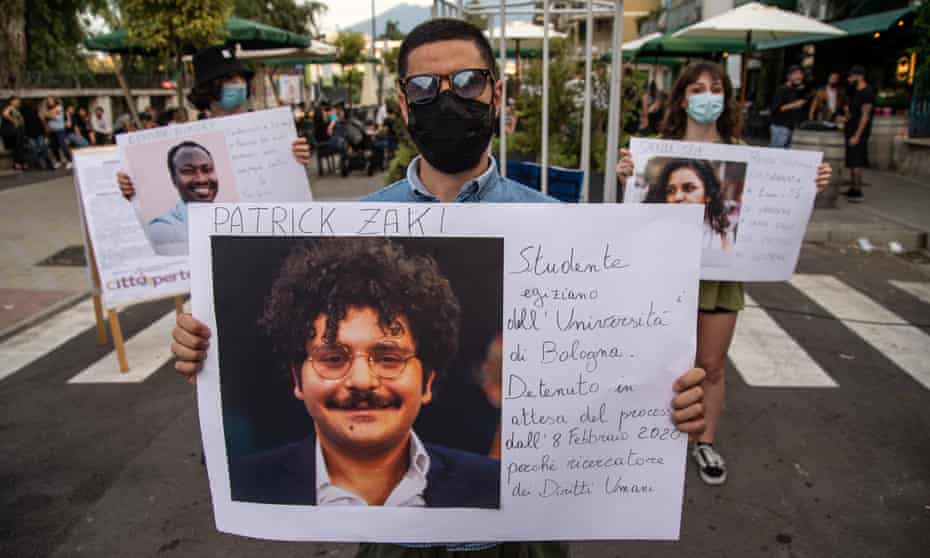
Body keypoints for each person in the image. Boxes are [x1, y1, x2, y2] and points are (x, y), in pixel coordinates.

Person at [172, 18, 710, 558]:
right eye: (426, 87)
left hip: (525, 536)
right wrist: (204, 351)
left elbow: (617, 363)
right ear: (404, 106)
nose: (448, 99)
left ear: (497, 94)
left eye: (469, 82)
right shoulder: (354, 226)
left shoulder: (559, 224)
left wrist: (665, 402)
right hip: (397, 542)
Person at [616, 60, 832, 486]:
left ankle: (704, 441)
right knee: (656, 363)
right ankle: (650, 441)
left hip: (718, 280)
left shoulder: (742, 151)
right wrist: (626, 178)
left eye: (715, 88)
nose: (707, 97)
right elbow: (634, 216)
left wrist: (810, 183)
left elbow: (774, 207)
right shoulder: (653, 151)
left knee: (711, 366)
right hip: (663, 279)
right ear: (682, 99)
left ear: (726, 98)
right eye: (697, 89)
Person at [230, 238, 499, 508]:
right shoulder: (238, 488)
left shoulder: (494, 489)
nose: (361, 381)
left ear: (427, 382)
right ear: (298, 380)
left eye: (389, 359)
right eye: (334, 359)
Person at [117, 45, 310, 200]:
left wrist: (296, 158)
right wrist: (132, 188)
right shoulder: (185, 143)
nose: (239, 84)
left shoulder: (271, 132)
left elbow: (288, 185)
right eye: (229, 79)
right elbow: (156, 188)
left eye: (241, 78)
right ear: (208, 89)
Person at [146, 141, 219, 254]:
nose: (201, 179)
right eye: (188, 171)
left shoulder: (232, 219)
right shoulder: (163, 229)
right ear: (174, 180)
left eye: (207, 169)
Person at [644, 159, 733, 251]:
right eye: (671, 191)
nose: (677, 197)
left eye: (689, 188)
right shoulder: (653, 232)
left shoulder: (722, 237)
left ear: (708, 194)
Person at [843, 65, 874, 203]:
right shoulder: (855, 91)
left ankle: (857, 191)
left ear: (859, 76)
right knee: (851, 161)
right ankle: (853, 188)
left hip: (859, 132)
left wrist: (857, 135)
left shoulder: (867, 92)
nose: (849, 79)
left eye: (851, 76)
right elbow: (853, 113)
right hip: (850, 129)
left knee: (857, 161)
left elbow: (865, 116)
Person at [769, 65, 809, 148]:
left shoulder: (794, 90)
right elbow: (775, 109)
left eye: (801, 74)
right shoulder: (782, 89)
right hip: (780, 127)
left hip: (790, 127)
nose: (799, 76)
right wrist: (795, 104)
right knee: (776, 152)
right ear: (789, 76)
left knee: (785, 154)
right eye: (796, 74)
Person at [21, 100, 56, 171]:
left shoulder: (27, 112)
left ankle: (41, 165)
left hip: (33, 133)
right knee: (41, 149)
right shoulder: (33, 111)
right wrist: (45, 129)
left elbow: (41, 120)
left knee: (37, 150)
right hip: (35, 133)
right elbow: (41, 121)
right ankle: (46, 165)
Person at [43, 98, 72, 169]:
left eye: (50, 100)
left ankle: (70, 161)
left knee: (63, 145)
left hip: (60, 130)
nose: (49, 102)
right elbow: (45, 116)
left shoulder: (59, 107)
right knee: (53, 146)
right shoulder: (49, 109)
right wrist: (49, 114)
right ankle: (58, 161)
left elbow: (53, 117)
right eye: (48, 101)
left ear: (54, 101)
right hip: (52, 131)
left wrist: (49, 115)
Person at [1, 96, 26, 171]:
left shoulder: (16, 109)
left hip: (19, 130)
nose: (18, 102)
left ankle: (20, 163)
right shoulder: (9, 107)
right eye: (16, 101)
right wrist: (13, 120)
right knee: (17, 147)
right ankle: (17, 164)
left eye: (18, 101)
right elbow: (5, 114)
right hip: (14, 131)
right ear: (11, 101)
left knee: (20, 147)